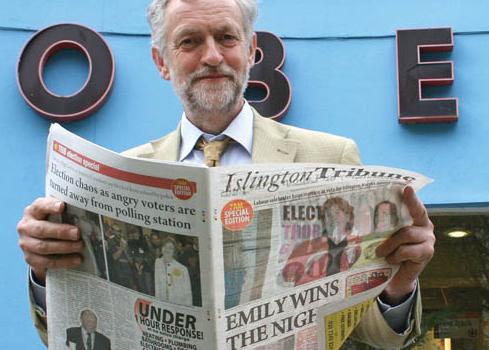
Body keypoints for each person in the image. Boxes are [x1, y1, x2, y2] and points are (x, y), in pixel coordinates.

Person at [16, 0, 435, 348]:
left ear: (251, 50)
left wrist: (400, 283)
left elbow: (378, 337)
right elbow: (65, 334)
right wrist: (42, 273)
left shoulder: (332, 156)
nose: (213, 56)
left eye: (226, 37)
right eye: (190, 41)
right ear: (162, 62)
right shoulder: (115, 176)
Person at [154, 238, 192, 306]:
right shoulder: (158, 262)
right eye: (164, 246)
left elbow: (188, 293)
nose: (167, 249)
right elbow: (157, 285)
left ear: (174, 251)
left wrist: (188, 308)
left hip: (178, 304)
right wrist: (158, 304)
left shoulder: (183, 269)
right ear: (161, 249)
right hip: (163, 304)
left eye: (170, 248)